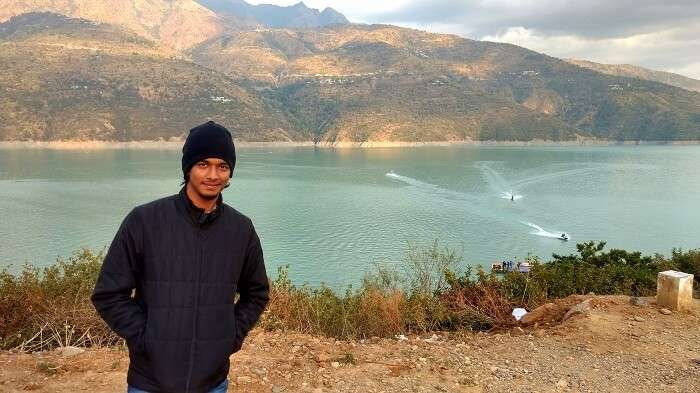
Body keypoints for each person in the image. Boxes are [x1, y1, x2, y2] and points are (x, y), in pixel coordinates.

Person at [91, 121, 270, 393]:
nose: (213, 175)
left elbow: (256, 292)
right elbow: (108, 294)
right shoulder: (145, 221)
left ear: (230, 172)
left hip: (212, 382)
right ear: (188, 168)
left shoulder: (241, 229)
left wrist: (229, 337)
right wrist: (146, 338)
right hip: (150, 381)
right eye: (203, 164)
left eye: (222, 166)